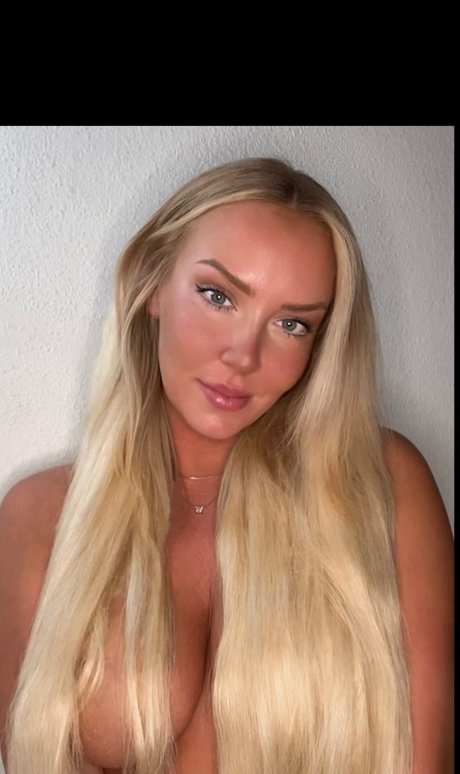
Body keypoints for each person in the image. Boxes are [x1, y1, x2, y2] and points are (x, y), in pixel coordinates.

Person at [0, 157, 453, 774]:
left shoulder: (382, 484)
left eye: (292, 324)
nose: (243, 354)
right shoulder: (39, 517)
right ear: (152, 284)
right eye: (218, 296)